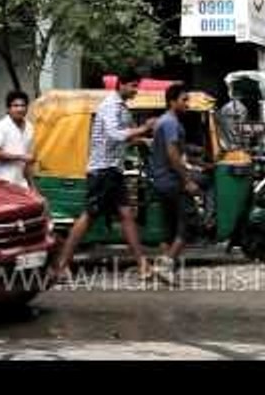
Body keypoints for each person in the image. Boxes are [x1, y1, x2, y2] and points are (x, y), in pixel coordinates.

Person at [47, 71, 156, 285]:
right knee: (88, 216)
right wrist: (144, 128)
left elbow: (120, 140)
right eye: (133, 86)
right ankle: (61, 266)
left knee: (126, 215)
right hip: (102, 171)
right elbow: (115, 134)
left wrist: (141, 140)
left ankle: (142, 264)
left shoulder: (121, 108)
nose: (136, 91)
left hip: (114, 170)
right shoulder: (110, 106)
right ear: (121, 85)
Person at [151, 83, 198, 285]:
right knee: (190, 223)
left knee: (168, 227)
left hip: (160, 180)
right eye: (184, 99)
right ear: (172, 102)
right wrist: (187, 180)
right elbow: (172, 153)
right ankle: (167, 264)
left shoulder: (163, 121)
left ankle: (166, 269)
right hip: (172, 181)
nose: (187, 103)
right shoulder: (170, 123)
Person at [0, 90, 36, 190]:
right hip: (0, 183)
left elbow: (27, 162)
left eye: (23, 105)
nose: (20, 109)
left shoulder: (30, 127)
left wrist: (32, 187)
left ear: (27, 108)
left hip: (20, 183)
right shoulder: (1, 126)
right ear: (8, 109)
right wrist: (20, 157)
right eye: (15, 106)